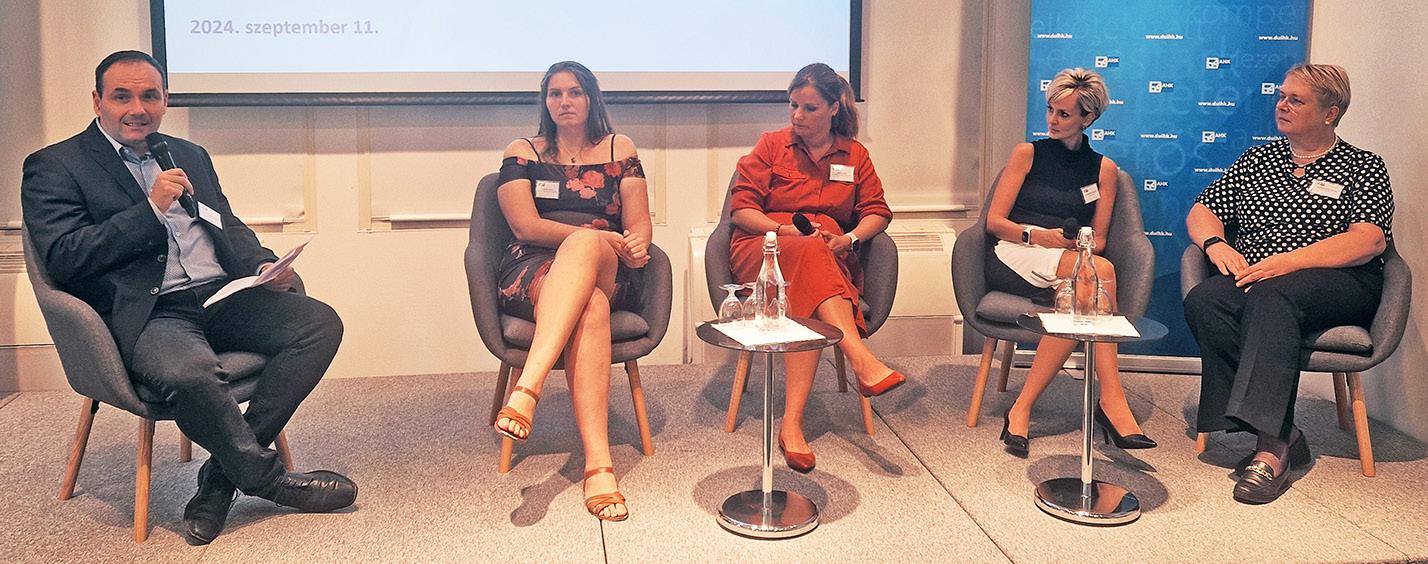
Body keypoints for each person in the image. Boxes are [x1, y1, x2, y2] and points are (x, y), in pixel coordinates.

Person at [20, 51, 355, 545]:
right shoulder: (56, 165)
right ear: (97, 101)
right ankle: (265, 480)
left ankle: (220, 477)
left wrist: (261, 266)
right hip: (150, 311)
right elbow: (66, 259)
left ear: (165, 100)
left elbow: (225, 224)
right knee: (189, 373)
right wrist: (149, 209)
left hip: (220, 296)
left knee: (319, 324)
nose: (137, 108)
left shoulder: (187, 153)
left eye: (149, 96)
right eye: (122, 96)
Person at [1184, 64, 1392, 504]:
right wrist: (1216, 244)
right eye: (1282, 96)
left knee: (1271, 296)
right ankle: (1284, 432)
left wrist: (1287, 263)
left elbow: (1369, 239)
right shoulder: (1258, 160)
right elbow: (1204, 209)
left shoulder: (1363, 165)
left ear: (1330, 113)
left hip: (1338, 281)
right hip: (1262, 277)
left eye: (1296, 100)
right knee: (1206, 299)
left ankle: (1272, 450)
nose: (1282, 105)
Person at [491, 61, 651, 522]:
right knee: (591, 305)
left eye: (575, 92)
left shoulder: (621, 148)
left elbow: (640, 224)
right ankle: (599, 467)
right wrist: (591, 236)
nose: (564, 102)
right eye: (555, 93)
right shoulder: (522, 151)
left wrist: (635, 244)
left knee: (587, 248)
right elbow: (525, 226)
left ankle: (529, 387)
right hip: (533, 267)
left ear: (591, 98)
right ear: (545, 101)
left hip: (607, 264)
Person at [728, 62, 900, 474]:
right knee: (807, 251)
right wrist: (784, 230)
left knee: (810, 269)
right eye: (793, 106)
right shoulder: (772, 145)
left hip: (827, 256)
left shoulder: (854, 155)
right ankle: (861, 361)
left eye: (809, 108)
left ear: (834, 108)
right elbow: (741, 211)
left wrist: (849, 239)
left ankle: (792, 424)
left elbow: (878, 212)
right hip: (764, 249)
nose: (797, 116)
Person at [984, 68, 1156, 458]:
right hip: (1016, 251)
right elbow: (995, 222)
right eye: (1050, 110)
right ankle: (1112, 401)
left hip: (1069, 259)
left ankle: (1021, 408)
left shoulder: (1104, 169)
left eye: (1064, 114)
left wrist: (1072, 245)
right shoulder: (1027, 154)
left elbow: (1101, 239)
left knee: (1080, 293)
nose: (1053, 120)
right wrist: (1038, 236)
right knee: (1101, 273)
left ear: (1088, 118)